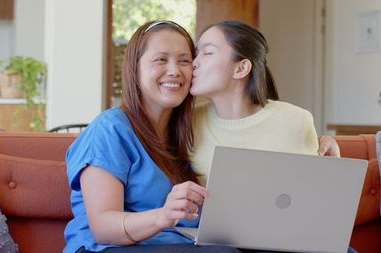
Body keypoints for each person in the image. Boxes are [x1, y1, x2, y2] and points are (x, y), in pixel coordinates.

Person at [63, 20, 241, 253]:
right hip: (106, 248)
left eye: (185, 61)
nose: (175, 71)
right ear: (134, 68)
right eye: (161, 59)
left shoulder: (185, 133)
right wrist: (163, 216)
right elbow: (103, 227)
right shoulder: (110, 128)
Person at [189, 20, 338, 184]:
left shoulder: (296, 121)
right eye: (196, 54)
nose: (194, 63)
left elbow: (313, 191)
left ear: (241, 68)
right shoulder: (188, 121)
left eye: (208, 53)